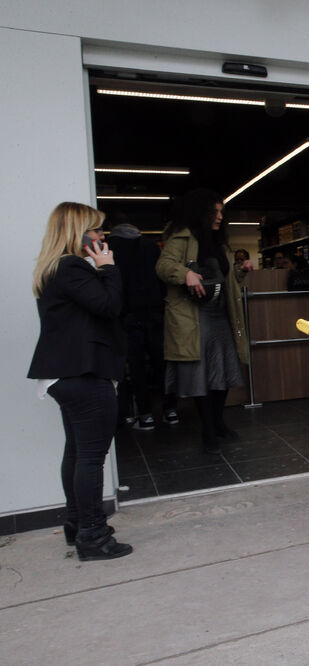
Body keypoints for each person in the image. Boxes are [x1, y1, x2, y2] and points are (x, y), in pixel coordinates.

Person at [27, 202, 133, 561]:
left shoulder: (54, 269)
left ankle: (77, 525)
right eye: (97, 230)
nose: (102, 237)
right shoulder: (72, 267)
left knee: (76, 451)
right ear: (78, 233)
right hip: (83, 373)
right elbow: (109, 306)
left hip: (66, 375)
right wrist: (108, 269)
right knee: (90, 456)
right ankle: (92, 535)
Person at [156, 189, 249, 455]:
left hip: (221, 316)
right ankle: (208, 429)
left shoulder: (219, 243)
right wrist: (185, 273)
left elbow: (225, 280)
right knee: (201, 377)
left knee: (222, 373)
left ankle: (218, 423)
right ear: (202, 213)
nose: (220, 217)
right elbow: (163, 267)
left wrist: (240, 272)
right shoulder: (181, 238)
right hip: (194, 318)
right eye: (215, 211)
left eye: (222, 211)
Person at [106, 215, 178, 430]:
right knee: (161, 363)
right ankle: (170, 409)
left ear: (112, 227)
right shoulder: (150, 246)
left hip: (127, 316)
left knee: (135, 366)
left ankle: (145, 414)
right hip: (155, 312)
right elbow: (161, 279)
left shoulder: (110, 248)